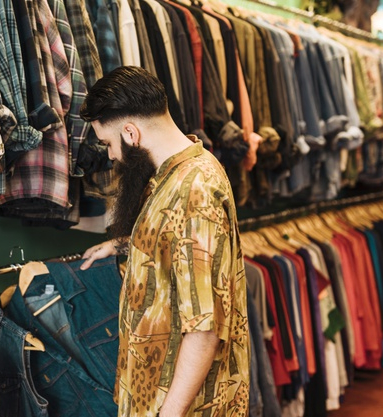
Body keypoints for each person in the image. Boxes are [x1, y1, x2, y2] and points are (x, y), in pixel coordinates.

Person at [79, 66, 250, 417]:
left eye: (110, 143)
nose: (111, 155)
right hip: (155, 393)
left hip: (179, 404)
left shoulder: (195, 191)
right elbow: (173, 242)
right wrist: (125, 244)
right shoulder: (174, 174)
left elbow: (204, 330)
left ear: (130, 133)